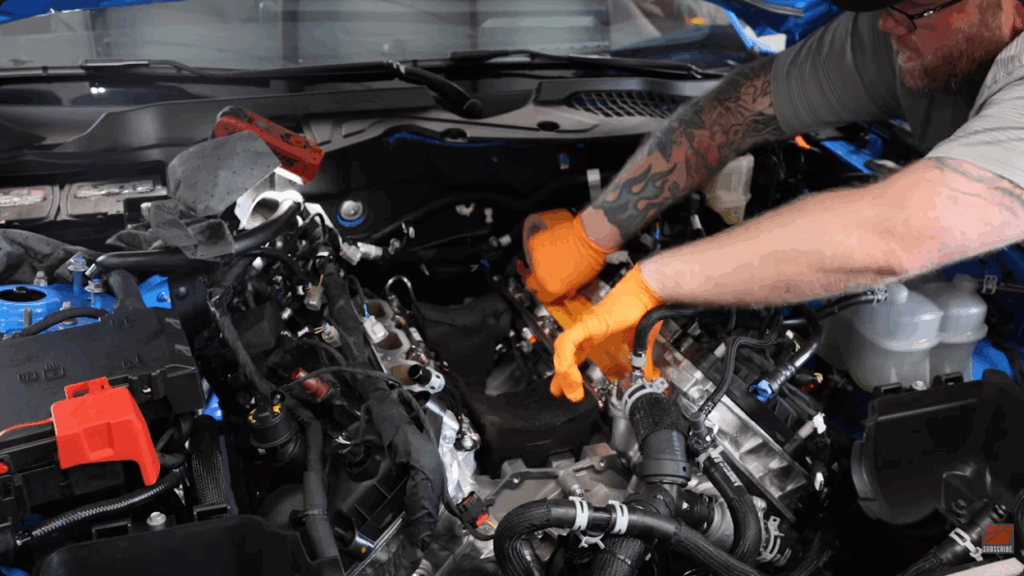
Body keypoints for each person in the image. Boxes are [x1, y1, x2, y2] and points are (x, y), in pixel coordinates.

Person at [523, 0, 1024, 402]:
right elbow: (739, 110)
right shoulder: (905, 26)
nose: (887, 24)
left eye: (912, 10)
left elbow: (894, 234)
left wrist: (652, 285)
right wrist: (594, 234)